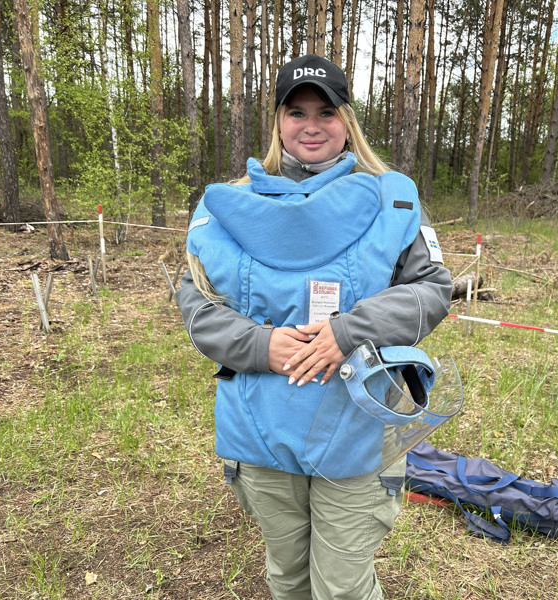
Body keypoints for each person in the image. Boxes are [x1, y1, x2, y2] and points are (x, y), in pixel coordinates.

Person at [177, 54, 452, 600]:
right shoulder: (228, 207)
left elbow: (430, 289)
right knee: (287, 575)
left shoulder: (391, 200)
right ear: (277, 122)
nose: (311, 125)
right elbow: (196, 304)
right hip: (260, 429)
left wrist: (349, 332)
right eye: (296, 111)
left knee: (343, 587)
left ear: (347, 120)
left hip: (358, 425)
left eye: (326, 112)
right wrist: (261, 345)